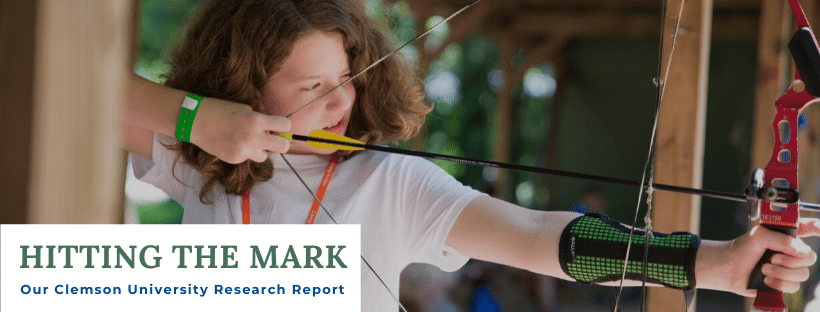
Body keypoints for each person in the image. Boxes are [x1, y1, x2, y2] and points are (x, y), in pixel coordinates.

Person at [124, 0, 820, 310]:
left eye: (346, 80)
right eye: (311, 87)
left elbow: (539, 236)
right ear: (243, 89)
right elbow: (68, 86)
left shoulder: (389, 183)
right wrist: (195, 117)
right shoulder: (203, 158)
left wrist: (716, 264)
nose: (341, 105)